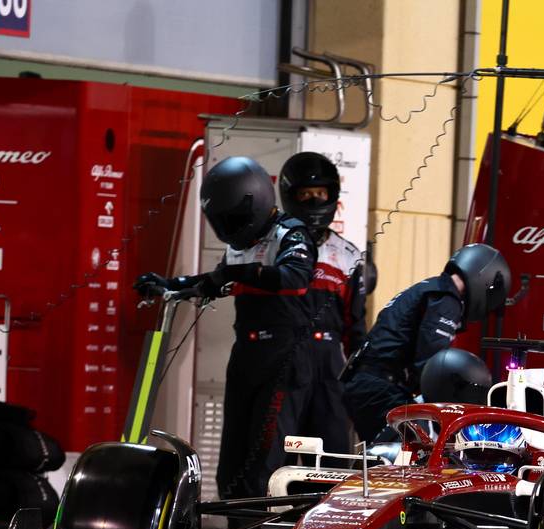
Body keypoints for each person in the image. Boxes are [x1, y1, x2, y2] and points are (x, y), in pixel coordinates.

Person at [135, 156, 328, 507]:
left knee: (263, 464)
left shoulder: (291, 233)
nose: (230, 227)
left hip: (284, 361)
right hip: (247, 356)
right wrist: (168, 285)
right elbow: (214, 283)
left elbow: (295, 278)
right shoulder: (239, 246)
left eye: (234, 218)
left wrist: (238, 275)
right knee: (231, 468)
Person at [342, 243, 511, 442]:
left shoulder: (431, 288)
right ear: (485, 277)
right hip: (381, 389)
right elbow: (432, 365)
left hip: (368, 384)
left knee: (386, 456)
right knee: (412, 453)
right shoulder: (446, 300)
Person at [278, 151, 374, 355]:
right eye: (306, 194)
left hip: (326, 367)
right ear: (291, 196)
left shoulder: (347, 255)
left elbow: (355, 326)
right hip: (279, 361)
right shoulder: (272, 245)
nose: (314, 201)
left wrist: (358, 377)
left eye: (320, 194)